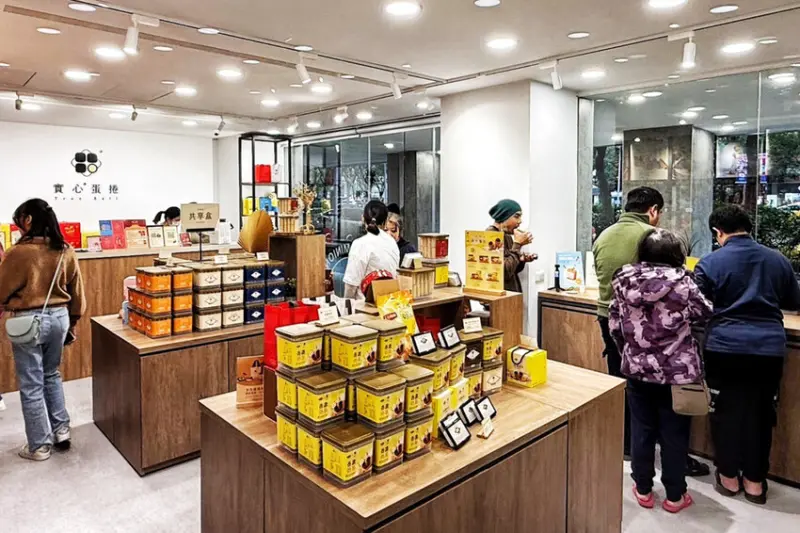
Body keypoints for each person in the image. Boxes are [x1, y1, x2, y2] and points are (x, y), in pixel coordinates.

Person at [593, 187, 709, 476]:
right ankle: (674, 469)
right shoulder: (652, 237)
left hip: (615, 323)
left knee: (626, 389)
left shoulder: (604, 235)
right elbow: (701, 310)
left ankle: (629, 449)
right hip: (665, 347)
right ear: (653, 210)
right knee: (668, 409)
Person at [695, 205, 800, 504]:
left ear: (717, 233)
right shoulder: (777, 259)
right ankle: (755, 482)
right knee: (761, 414)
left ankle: (728, 477)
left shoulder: (710, 262)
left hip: (724, 347)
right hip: (767, 348)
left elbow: (698, 306)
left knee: (724, 412)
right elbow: (794, 301)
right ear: (748, 227)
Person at [610, 229, 712, 513]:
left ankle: (643, 489)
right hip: (676, 372)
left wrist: (628, 351)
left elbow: (615, 324)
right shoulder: (684, 283)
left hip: (636, 368)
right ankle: (675, 495)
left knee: (641, 428)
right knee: (674, 433)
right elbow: (705, 312)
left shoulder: (623, 280)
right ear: (676, 254)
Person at [0, 199, 86, 461]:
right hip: (60, 318)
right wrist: (72, 322)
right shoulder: (65, 250)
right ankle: (61, 431)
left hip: (28, 321)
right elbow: (77, 293)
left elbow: (1, 290)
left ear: (28, 219)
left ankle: (39, 446)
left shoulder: (19, 253)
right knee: (51, 374)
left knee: (31, 383)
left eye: (19, 220)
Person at [342, 200, 399, 299]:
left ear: (363, 218)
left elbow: (351, 286)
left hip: (365, 305)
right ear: (385, 221)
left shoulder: (360, 244)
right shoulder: (392, 242)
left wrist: (345, 305)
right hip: (389, 303)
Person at [487, 199, 535, 293]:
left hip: (511, 295)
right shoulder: (491, 235)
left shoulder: (507, 236)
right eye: (516, 216)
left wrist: (521, 260)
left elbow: (512, 270)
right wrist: (517, 244)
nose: (520, 221)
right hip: (499, 296)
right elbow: (504, 272)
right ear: (504, 216)